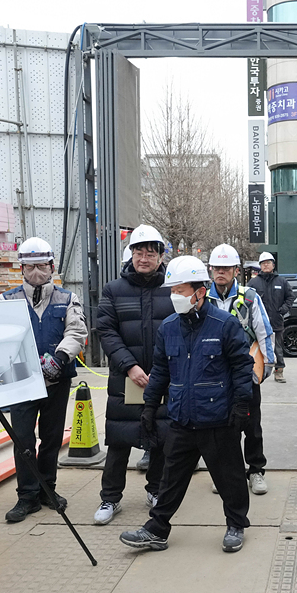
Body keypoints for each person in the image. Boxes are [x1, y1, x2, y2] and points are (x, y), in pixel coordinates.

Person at [119, 256, 255, 553]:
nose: (175, 297)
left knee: (229, 475)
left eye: (180, 291)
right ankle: (157, 529)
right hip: (182, 416)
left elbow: (242, 368)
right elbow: (161, 371)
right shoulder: (168, 328)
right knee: (171, 477)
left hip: (217, 417)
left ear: (200, 292)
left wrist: (242, 406)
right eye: (172, 291)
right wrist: (149, 407)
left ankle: (236, 524)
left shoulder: (225, 324)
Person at [0, 237, 88, 523]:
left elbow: (76, 331)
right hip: (21, 382)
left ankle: (48, 489)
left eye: (41, 265)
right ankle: (27, 496)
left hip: (56, 380)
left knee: (51, 439)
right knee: (23, 439)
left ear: (52, 266)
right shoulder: (6, 300)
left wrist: (60, 359)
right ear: (21, 268)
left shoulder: (67, 298)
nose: (36, 271)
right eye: (30, 266)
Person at [93, 224, 174, 525]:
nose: (144, 258)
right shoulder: (113, 290)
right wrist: (130, 366)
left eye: (150, 252)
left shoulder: (172, 288)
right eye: (138, 252)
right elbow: (107, 331)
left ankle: (156, 490)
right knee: (119, 440)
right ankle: (110, 499)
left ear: (160, 256)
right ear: (131, 255)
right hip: (126, 379)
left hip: (162, 377)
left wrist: (164, 369)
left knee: (162, 437)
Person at [207, 243, 274, 495]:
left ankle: (255, 470)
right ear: (211, 269)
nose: (221, 272)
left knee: (251, 424)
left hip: (246, 373)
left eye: (226, 268)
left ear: (236, 270)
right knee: (222, 427)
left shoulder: (249, 297)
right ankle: (226, 472)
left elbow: (264, 331)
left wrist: (266, 365)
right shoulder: (204, 297)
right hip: (215, 374)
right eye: (217, 267)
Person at [248, 251, 293, 383]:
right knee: (256, 348)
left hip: (276, 321)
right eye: (263, 263)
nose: (266, 265)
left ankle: (279, 371)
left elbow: (290, 297)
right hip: (258, 324)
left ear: (273, 265)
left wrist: (283, 310)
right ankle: (256, 370)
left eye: (268, 263)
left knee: (278, 348)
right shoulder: (253, 282)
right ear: (260, 266)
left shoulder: (282, 281)